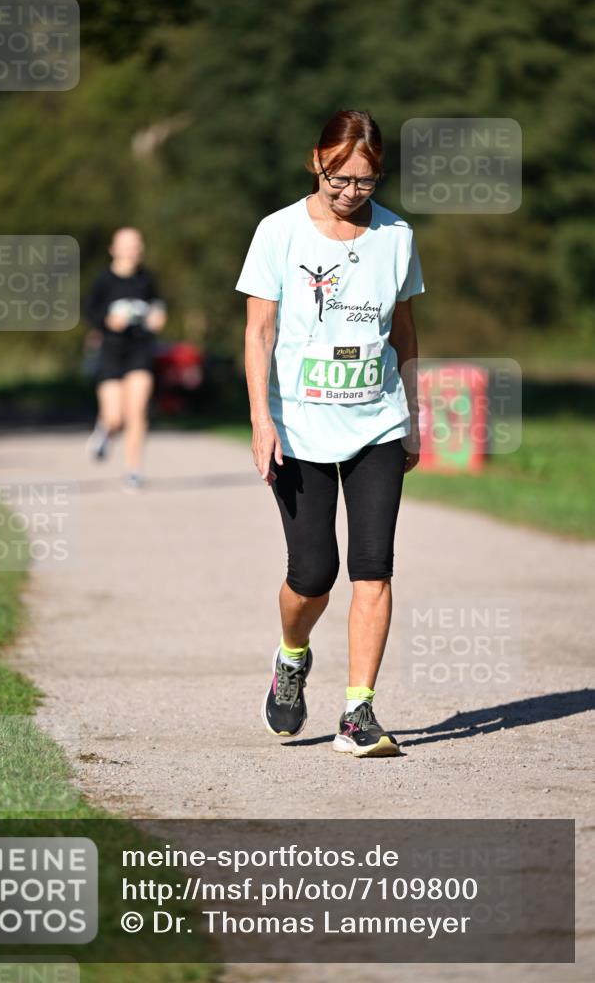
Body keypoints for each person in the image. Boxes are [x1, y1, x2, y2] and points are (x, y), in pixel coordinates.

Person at [236, 109, 424, 758]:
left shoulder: (397, 236)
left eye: (365, 183)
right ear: (315, 160)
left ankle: (358, 713)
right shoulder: (277, 233)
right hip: (297, 426)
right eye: (338, 178)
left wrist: (412, 416)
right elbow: (258, 332)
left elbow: (403, 334)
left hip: (375, 418)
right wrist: (262, 420)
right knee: (314, 572)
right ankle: (291, 658)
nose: (349, 193)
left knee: (373, 566)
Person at [84, 227, 166, 489]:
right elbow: (90, 311)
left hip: (140, 350)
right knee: (115, 417)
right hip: (111, 351)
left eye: (136, 245)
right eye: (127, 245)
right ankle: (104, 430)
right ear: (114, 249)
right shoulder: (103, 280)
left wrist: (158, 317)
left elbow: (157, 306)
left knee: (137, 411)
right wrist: (108, 321)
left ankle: (133, 470)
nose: (133, 250)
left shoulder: (147, 279)